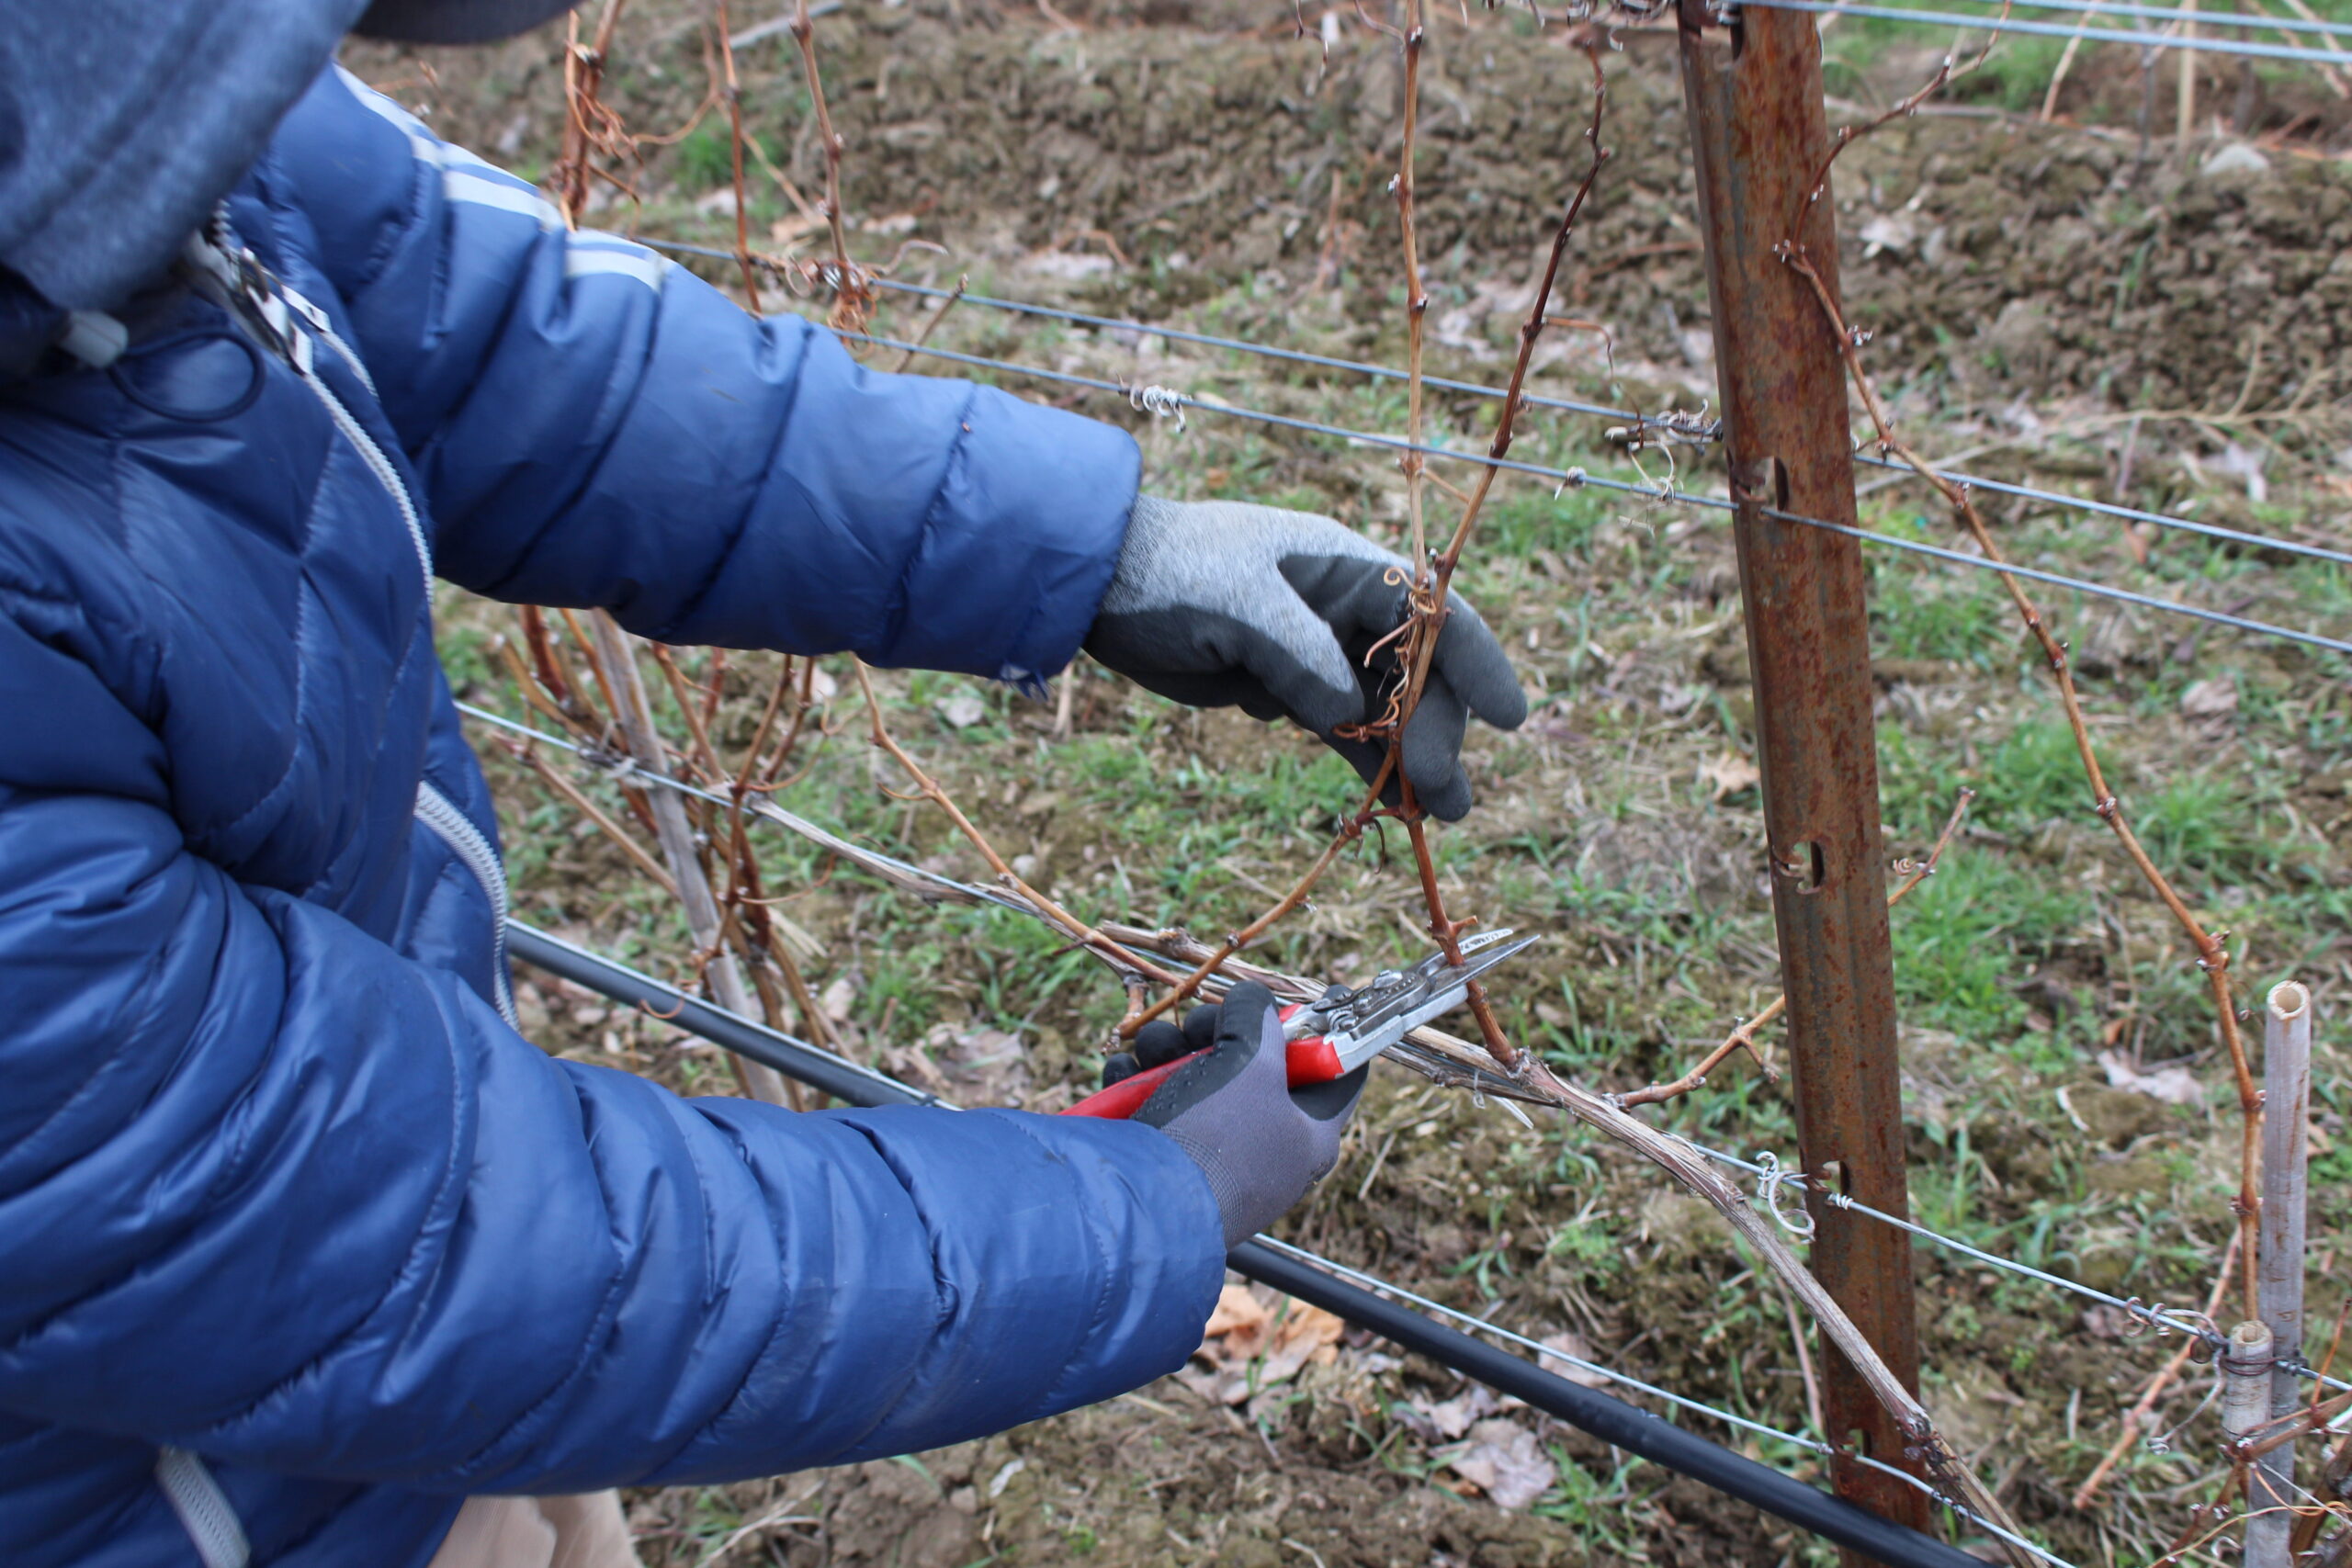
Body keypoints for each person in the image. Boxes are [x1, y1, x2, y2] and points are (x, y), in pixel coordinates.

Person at [0, 2, 1528, 1564]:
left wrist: (1085, 551)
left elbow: (495, 330)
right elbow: (417, 1258)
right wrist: (1130, 1218)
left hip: (406, 1406)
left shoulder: (143, 112)